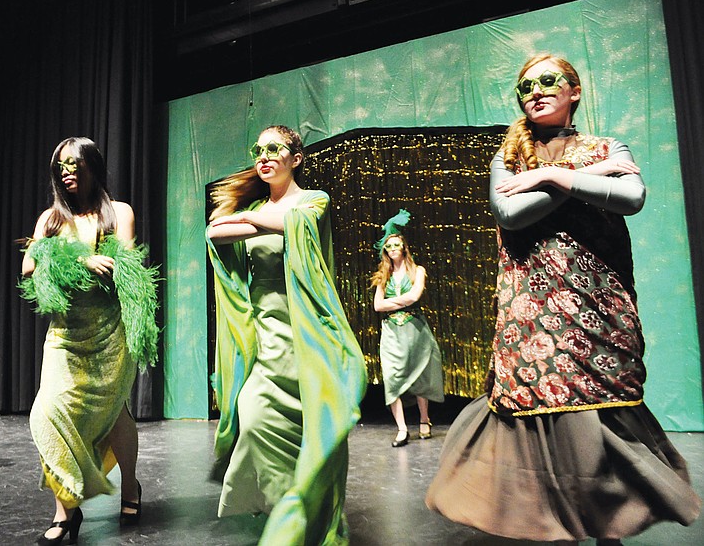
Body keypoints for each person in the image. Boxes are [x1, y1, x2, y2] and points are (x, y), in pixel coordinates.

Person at [425, 54, 702, 544]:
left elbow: (632, 198)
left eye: (548, 81)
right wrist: (581, 175)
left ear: (574, 90)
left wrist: (552, 176)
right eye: (525, 86)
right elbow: (510, 214)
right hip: (533, 312)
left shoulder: (608, 147)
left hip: (599, 307)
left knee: (603, 411)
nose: (535, 91)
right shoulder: (510, 156)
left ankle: (609, 529)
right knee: (545, 413)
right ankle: (560, 529)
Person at [206, 125, 367, 545]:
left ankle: (307, 519)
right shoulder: (258, 208)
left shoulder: (315, 199)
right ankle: (287, 519)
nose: (263, 156)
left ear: (296, 158)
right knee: (254, 418)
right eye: (258, 149)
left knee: (311, 433)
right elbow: (214, 233)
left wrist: (248, 220)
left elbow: (296, 222)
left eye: (274, 148)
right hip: (266, 337)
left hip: (306, 335)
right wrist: (260, 218)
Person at [20, 137, 159, 546]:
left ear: (92, 166)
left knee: (116, 414)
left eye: (74, 164)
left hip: (110, 332)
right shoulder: (50, 220)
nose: (67, 172)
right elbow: (29, 266)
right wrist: (79, 259)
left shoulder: (119, 212)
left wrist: (107, 264)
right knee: (47, 412)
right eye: (60, 166)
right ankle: (66, 508)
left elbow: (125, 263)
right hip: (65, 333)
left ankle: (130, 487)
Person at [370, 211, 444, 447]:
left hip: (415, 330)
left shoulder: (417, 270)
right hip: (392, 332)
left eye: (396, 245)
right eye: (388, 246)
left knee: (419, 375)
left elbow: (415, 296)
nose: (392, 249)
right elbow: (377, 305)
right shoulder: (383, 276)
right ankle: (402, 428)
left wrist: (392, 303)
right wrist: (400, 302)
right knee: (392, 378)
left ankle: (424, 419)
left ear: (403, 248)